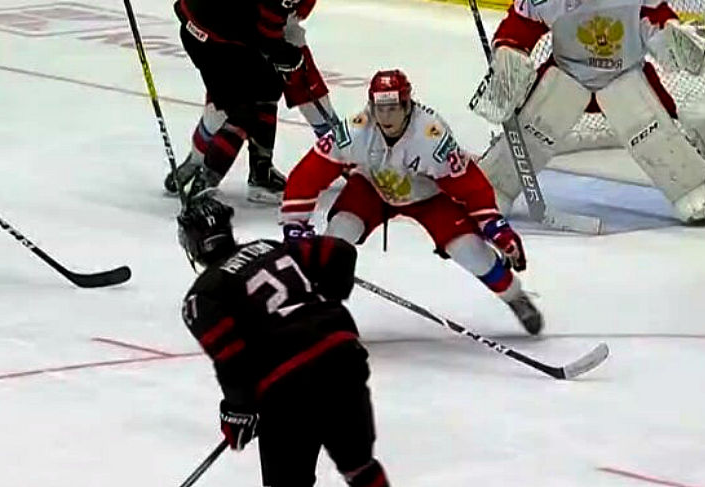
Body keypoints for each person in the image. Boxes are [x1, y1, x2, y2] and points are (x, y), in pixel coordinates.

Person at [281, 69, 544, 335]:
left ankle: (514, 296)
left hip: (428, 196)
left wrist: (496, 227)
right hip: (372, 187)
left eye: (393, 108)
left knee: (469, 251)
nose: (385, 117)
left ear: (407, 106)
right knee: (337, 237)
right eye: (380, 109)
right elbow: (309, 173)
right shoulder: (356, 130)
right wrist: (294, 223)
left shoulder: (431, 137)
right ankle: (319, 308)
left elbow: (470, 187)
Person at [177, 192, 389, 487]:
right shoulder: (271, 247)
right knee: (360, 467)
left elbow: (232, 359)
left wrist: (239, 411)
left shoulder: (202, 296)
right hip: (342, 358)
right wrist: (323, 308)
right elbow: (340, 252)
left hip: (287, 385)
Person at [470, 0, 705, 225]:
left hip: (625, 73)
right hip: (567, 73)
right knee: (538, 123)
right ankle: (493, 186)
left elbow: (655, 19)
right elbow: (520, 27)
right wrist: (509, 53)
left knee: (643, 119)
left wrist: (673, 39)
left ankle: (691, 184)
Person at [167, 0, 338, 203]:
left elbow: (277, 32)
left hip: (222, 29)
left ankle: (258, 171)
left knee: (267, 86)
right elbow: (270, 38)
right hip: (215, 38)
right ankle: (204, 184)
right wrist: (288, 56)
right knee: (241, 112)